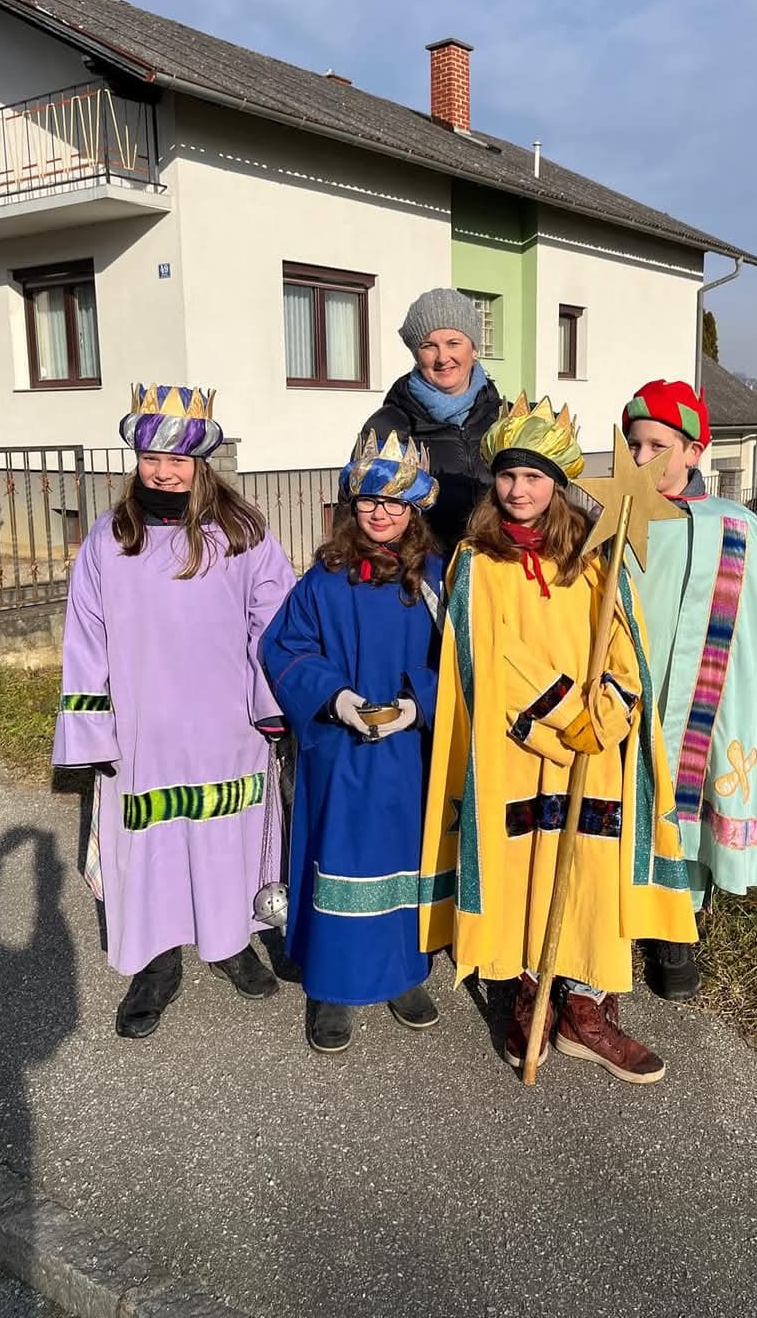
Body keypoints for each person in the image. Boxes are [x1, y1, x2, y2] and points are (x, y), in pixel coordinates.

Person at [419, 395, 698, 1083]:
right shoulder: (475, 561)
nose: (519, 490)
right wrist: (562, 714)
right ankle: (529, 995)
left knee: (588, 871)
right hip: (518, 747)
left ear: (557, 482)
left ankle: (583, 1007)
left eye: (534, 477)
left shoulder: (596, 555)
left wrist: (605, 716)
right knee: (524, 867)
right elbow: (484, 658)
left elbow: (628, 648)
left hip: (591, 750)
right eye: (508, 476)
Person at [52, 383, 296, 1039]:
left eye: (177, 459)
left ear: (200, 463)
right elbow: (86, 638)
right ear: (136, 460)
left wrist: (272, 705)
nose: (163, 471)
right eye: (151, 458)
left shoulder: (243, 534)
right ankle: (156, 965)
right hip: (143, 732)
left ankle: (229, 943)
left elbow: (274, 623)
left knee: (225, 841)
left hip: (227, 727)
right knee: (150, 848)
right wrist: (91, 729)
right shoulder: (111, 538)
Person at [260, 431, 444, 1053]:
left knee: (403, 858)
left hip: (408, 754)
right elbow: (284, 647)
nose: (380, 512)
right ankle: (331, 985)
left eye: (394, 502)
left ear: (414, 508)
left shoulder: (435, 580)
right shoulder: (323, 580)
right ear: (350, 503)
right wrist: (334, 697)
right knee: (338, 858)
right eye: (368, 500)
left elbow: (463, 660)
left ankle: (403, 972)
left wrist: (418, 703)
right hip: (338, 752)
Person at [621, 379, 757, 1001]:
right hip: (635, 690)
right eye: (634, 445)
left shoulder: (736, 526)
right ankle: (620, 912)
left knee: (687, 802)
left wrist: (746, 701)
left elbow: (755, 632)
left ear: (694, 451)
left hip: (705, 694)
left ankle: (677, 928)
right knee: (629, 800)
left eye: (657, 445)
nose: (642, 458)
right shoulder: (620, 518)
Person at [362, 287, 501, 552]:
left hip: (498, 569)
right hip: (420, 573)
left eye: (453, 343)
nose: (442, 358)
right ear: (416, 354)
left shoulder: (505, 421)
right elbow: (358, 521)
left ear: (474, 349)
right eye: (429, 346)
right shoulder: (388, 427)